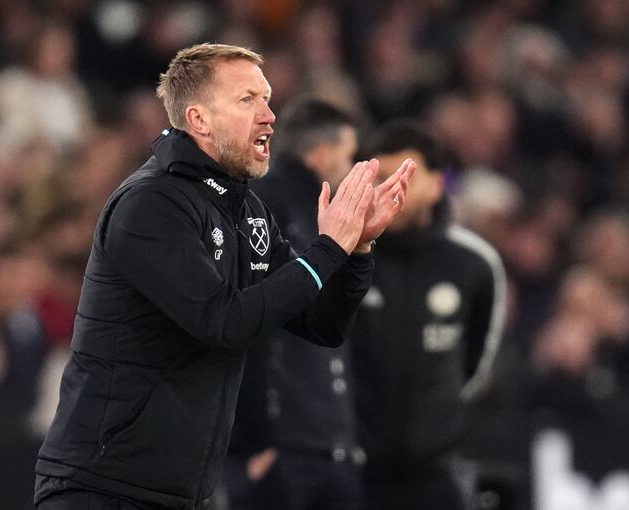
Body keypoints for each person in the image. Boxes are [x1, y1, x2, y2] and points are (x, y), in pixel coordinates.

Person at [34, 43, 415, 510]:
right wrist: (327, 248)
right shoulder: (151, 204)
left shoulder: (246, 208)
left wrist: (356, 250)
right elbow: (224, 323)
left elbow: (322, 324)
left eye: (268, 98)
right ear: (198, 120)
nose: (270, 115)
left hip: (182, 493)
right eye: (248, 100)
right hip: (103, 487)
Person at [351, 120, 507, 510]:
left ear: (438, 184)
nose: (390, 189)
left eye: (405, 176)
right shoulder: (346, 255)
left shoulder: (475, 264)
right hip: (354, 471)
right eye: (381, 177)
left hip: (435, 472)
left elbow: (474, 361)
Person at [225, 97, 367, 510]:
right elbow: (244, 318)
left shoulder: (327, 213)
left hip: (327, 443)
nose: (351, 167)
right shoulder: (261, 203)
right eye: (348, 155)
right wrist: (254, 442)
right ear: (321, 154)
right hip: (286, 447)